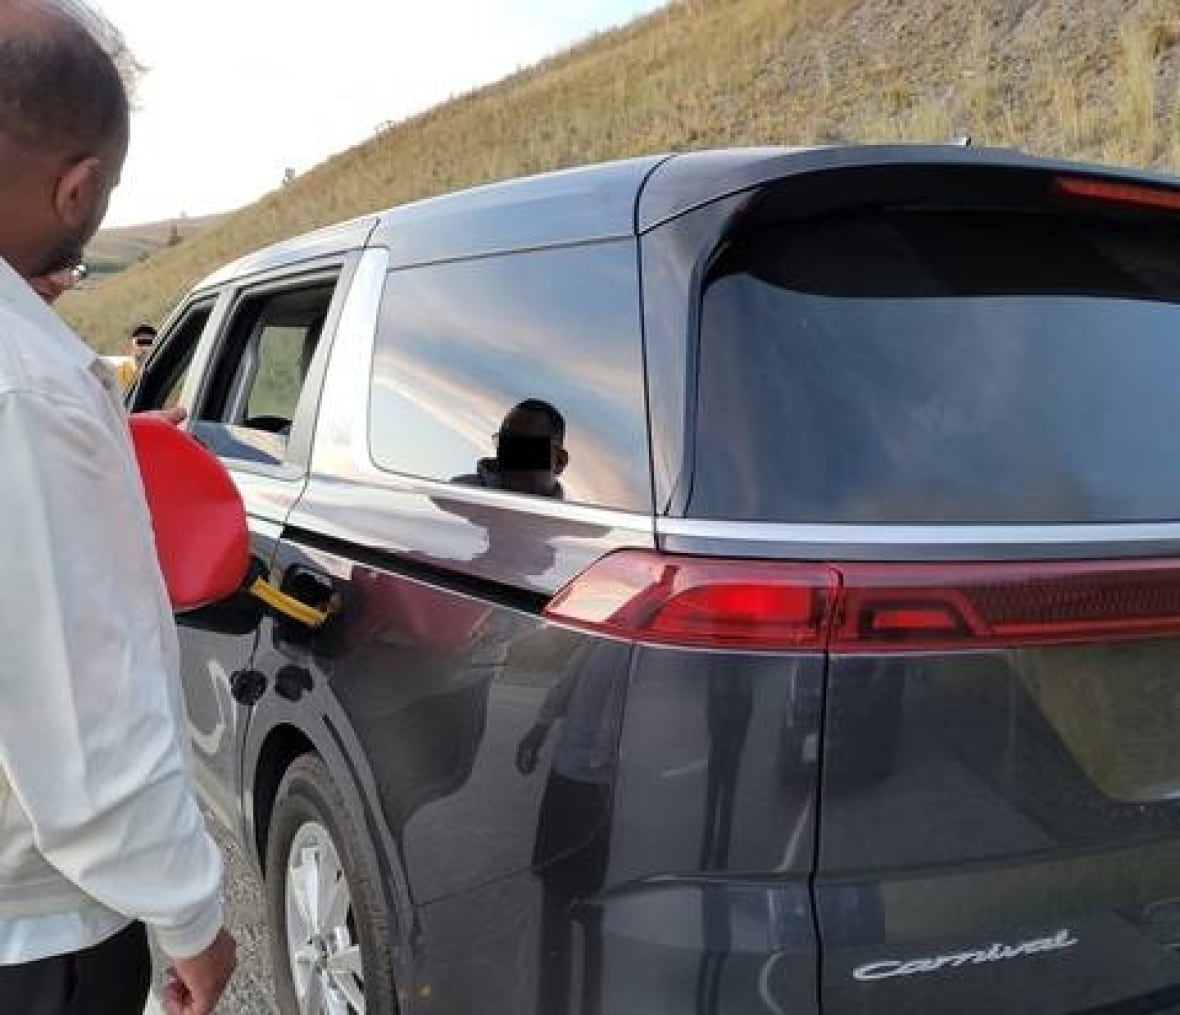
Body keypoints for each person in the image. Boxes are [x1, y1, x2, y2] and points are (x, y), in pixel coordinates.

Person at [0, 3, 236, 1014]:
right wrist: (192, 919)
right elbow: (78, 717)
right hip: (35, 935)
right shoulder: (28, 390)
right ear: (79, 186)